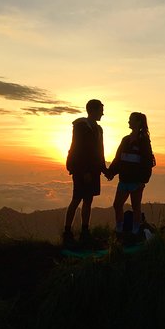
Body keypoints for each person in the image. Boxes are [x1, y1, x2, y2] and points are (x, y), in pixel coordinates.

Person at [63, 99, 108, 245]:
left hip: (93, 170)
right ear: (93, 110)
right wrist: (84, 171)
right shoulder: (81, 127)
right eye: (101, 109)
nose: (103, 112)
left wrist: (104, 169)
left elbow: (99, 152)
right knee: (77, 199)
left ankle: (84, 231)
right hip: (82, 170)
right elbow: (79, 150)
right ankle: (67, 232)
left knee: (88, 200)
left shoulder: (98, 129)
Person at [106, 112, 156, 241]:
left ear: (138, 122)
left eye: (130, 120)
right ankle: (119, 228)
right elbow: (118, 158)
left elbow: (147, 162)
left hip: (136, 181)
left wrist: (143, 180)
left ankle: (135, 231)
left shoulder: (143, 141)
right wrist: (111, 172)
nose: (128, 122)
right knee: (117, 205)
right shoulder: (125, 140)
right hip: (124, 179)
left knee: (135, 206)